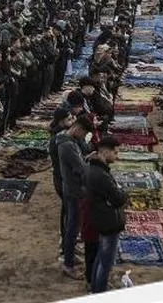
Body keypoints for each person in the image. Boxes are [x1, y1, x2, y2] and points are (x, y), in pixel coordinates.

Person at [85, 135, 126, 293]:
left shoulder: (95, 169)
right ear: (105, 151)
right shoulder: (100, 175)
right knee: (105, 263)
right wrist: (122, 194)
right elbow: (118, 198)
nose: (117, 156)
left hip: (101, 218)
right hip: (108, 222)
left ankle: (95, 288)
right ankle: (99, 292)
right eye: (115, 152)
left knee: (100, 259)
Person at [54, 111, 90, 280]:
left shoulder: (65, 139)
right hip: (74, 190)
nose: (83, 137)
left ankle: (70, 254)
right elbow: (80, 169)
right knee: (72, 227)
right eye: (83, 133)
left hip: (70, 187)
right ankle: (68, 265)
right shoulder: (67, 145)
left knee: (72, 226)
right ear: (77, 128)